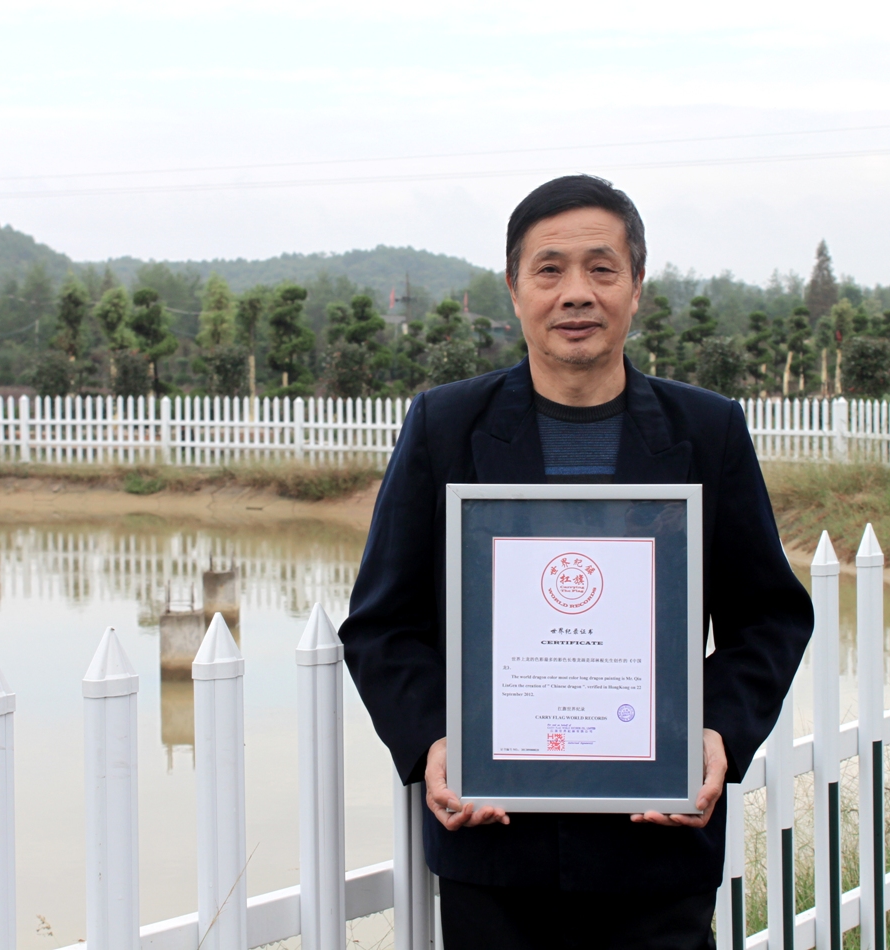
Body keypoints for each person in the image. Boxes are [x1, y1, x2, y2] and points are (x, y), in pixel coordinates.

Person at [339, 175, 813, 950]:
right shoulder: (445, 427)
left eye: (602, 268)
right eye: (550, 270)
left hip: (657, 843)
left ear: (636, 286)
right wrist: (434, 744)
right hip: (495, 842)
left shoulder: (707, 431)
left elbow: (769, 616)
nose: (576, 293)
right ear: (514, 288)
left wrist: (717, 733)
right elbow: (383, 624)